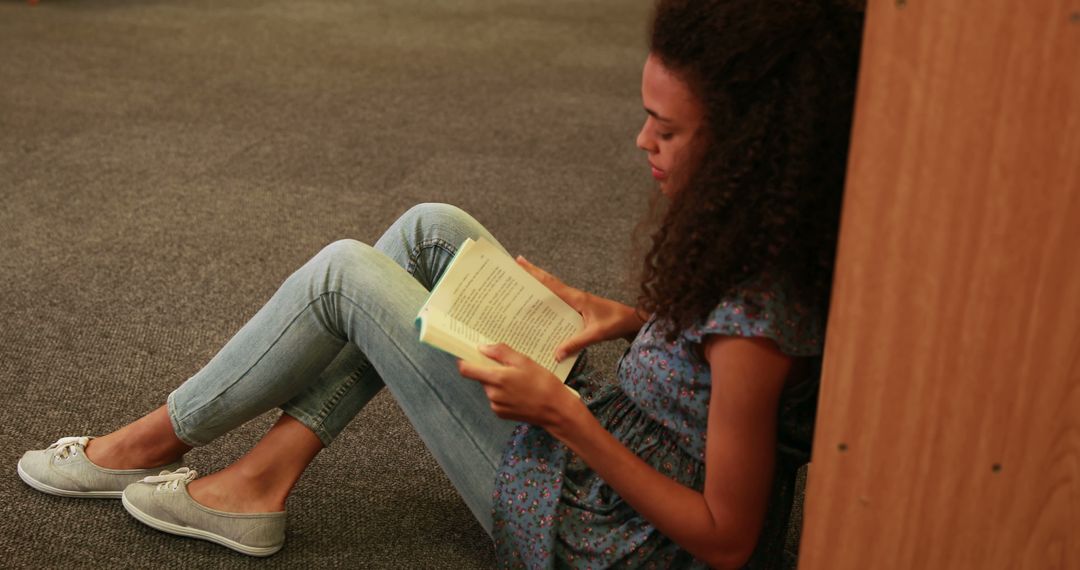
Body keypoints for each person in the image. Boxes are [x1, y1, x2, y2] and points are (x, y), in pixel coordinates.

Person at [16, 0, 863, 567]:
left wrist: (564, 415)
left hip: (600, 531)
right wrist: (622, 319)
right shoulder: (762, 235)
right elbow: (705, 371)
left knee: (349, 273)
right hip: (612, 443)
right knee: (431, 227)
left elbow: (727, 540)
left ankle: (156, 441)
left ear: (753, 147)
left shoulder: (761, 314)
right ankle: (260, 478)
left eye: (668, 128)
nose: (642, 141)